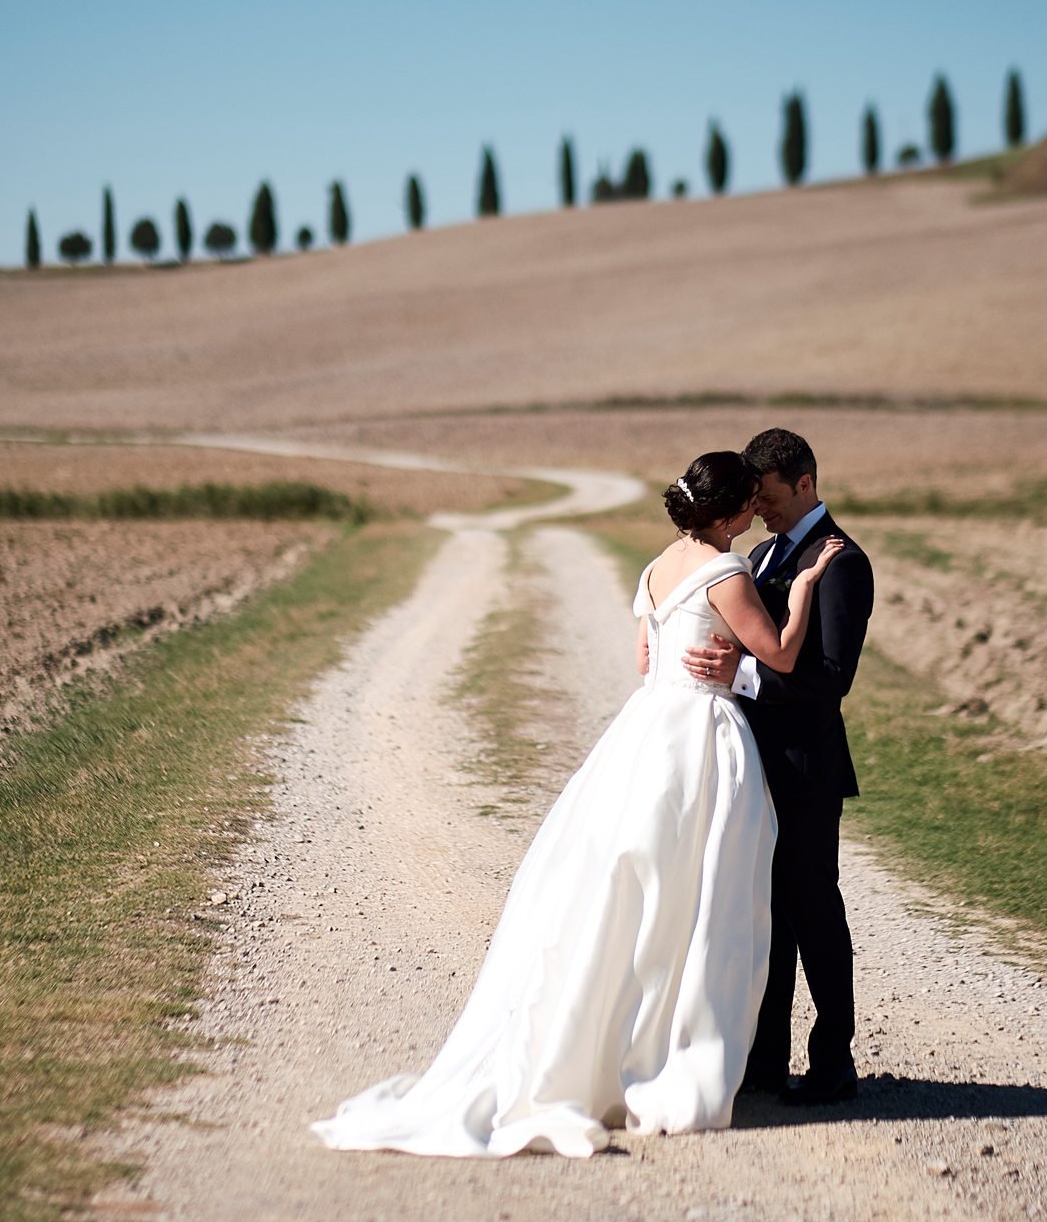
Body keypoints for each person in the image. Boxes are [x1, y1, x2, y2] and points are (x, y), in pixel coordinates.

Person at [311, 451, 844, 1157]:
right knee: (701, 894)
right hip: (698, 738)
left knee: (633, 887)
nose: (754, 516)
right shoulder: (729, 572)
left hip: (645, 731)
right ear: (723, 516)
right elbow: (776, 654)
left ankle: (629, 1045)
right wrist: (805, 583)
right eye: (747, 506)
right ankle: (677, 1050)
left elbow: (646, 664)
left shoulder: (656, 570)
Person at [684, 428, 875, 1106]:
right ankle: (764, 1062)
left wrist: (742, 678)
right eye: (752, 500)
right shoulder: (764, 554)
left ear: (804, 483)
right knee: (761, 915)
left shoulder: (844, 561)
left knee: (813, 909)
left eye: (766, 497)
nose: (758, 510)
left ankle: (834, 1063)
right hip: (749, 766)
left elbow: (830, 677)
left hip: (804, 768)